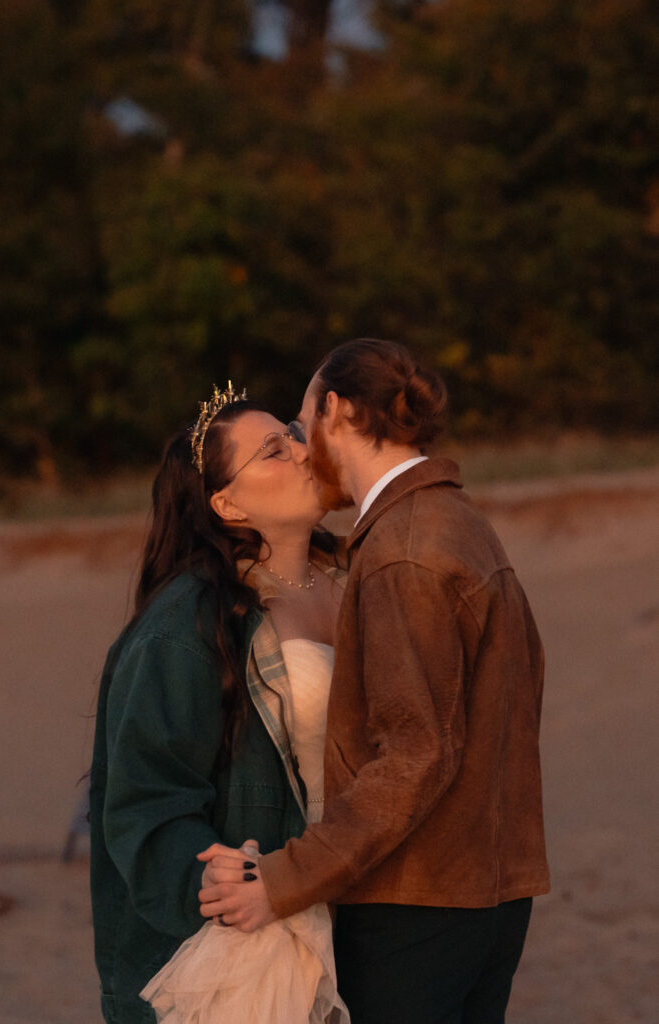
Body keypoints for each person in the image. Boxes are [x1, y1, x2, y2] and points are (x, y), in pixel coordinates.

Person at [199, 340, 551, 1024]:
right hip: (493, 899)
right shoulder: (463, 526)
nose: (301, 451)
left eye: (301, 428)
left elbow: (414, 755)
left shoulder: (403, 552)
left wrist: (283, 879)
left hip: (417, 903)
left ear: (336, 410)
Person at [89, 387, 350, 1024]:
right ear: (227, 504)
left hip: (359, 896)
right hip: (256, 927)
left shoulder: (360, 575)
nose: (299, 448)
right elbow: (146, 797)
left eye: (291, 431)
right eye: (272, 451)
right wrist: (206, 877)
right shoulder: (187, 625)